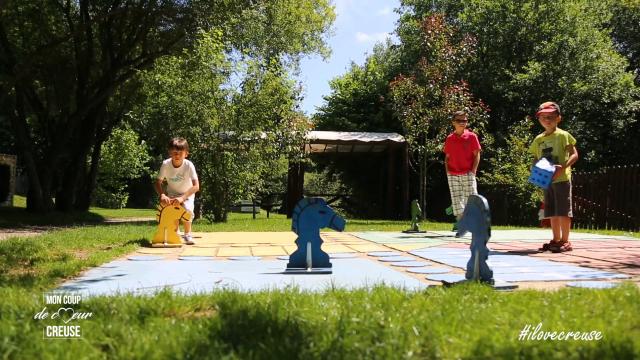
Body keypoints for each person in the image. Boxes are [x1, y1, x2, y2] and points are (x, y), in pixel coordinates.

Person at [529, 101, 578, 253]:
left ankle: (565, 240)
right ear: (539, 120)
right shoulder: (538, 139)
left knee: (563, 210)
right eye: (543, 117)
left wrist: (563, 167)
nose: (547, 120)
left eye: (551, 116)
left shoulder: (563, 135)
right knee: (551, 211)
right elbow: (535, 159)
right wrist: (536, 171)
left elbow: (574, 154)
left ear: (558, 118)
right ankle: (556, 240)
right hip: (547, 180)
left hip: (562, 179)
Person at [155, 137, 200, 245]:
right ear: (170, 153)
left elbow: (196, 186)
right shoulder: (166, 164)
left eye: (180, 153)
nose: (177, 155)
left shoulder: (189, 165)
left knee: (187, 210)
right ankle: (174, 232)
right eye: (174, 152)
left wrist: (183, 198)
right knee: (171, 211)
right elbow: (157, 182)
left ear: (186, 154)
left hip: (187, 193)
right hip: (171, 194)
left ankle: (188, 234)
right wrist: (162, 194)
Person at [444, 110, 481, 236]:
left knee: (471, 198)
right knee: (456, 200)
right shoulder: (449, 139)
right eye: (459, 120)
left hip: (468, 173)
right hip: (452, 174)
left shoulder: (472, 137)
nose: (462, 123)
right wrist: (448, 171)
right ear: (453, 122)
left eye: (464, 120)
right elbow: (447, 157)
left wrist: (473, 171)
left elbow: (477, 155)